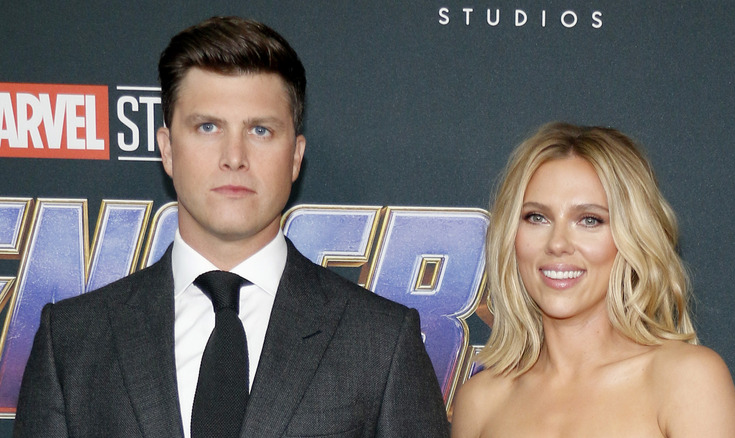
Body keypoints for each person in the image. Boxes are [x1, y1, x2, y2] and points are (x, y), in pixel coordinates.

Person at [14, 16, 449, 438]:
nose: (234, 156)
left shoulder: (380, 342)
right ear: (167, 149)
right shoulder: (71, 341)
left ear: (295, 156)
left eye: (260, 130)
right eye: (207, 127)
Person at [451, 122, 735, 437]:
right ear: (511, 235)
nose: (557, 243)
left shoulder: (686, 380)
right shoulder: (481, 401)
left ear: (630, 236)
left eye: (589, 220)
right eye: (537, 217)